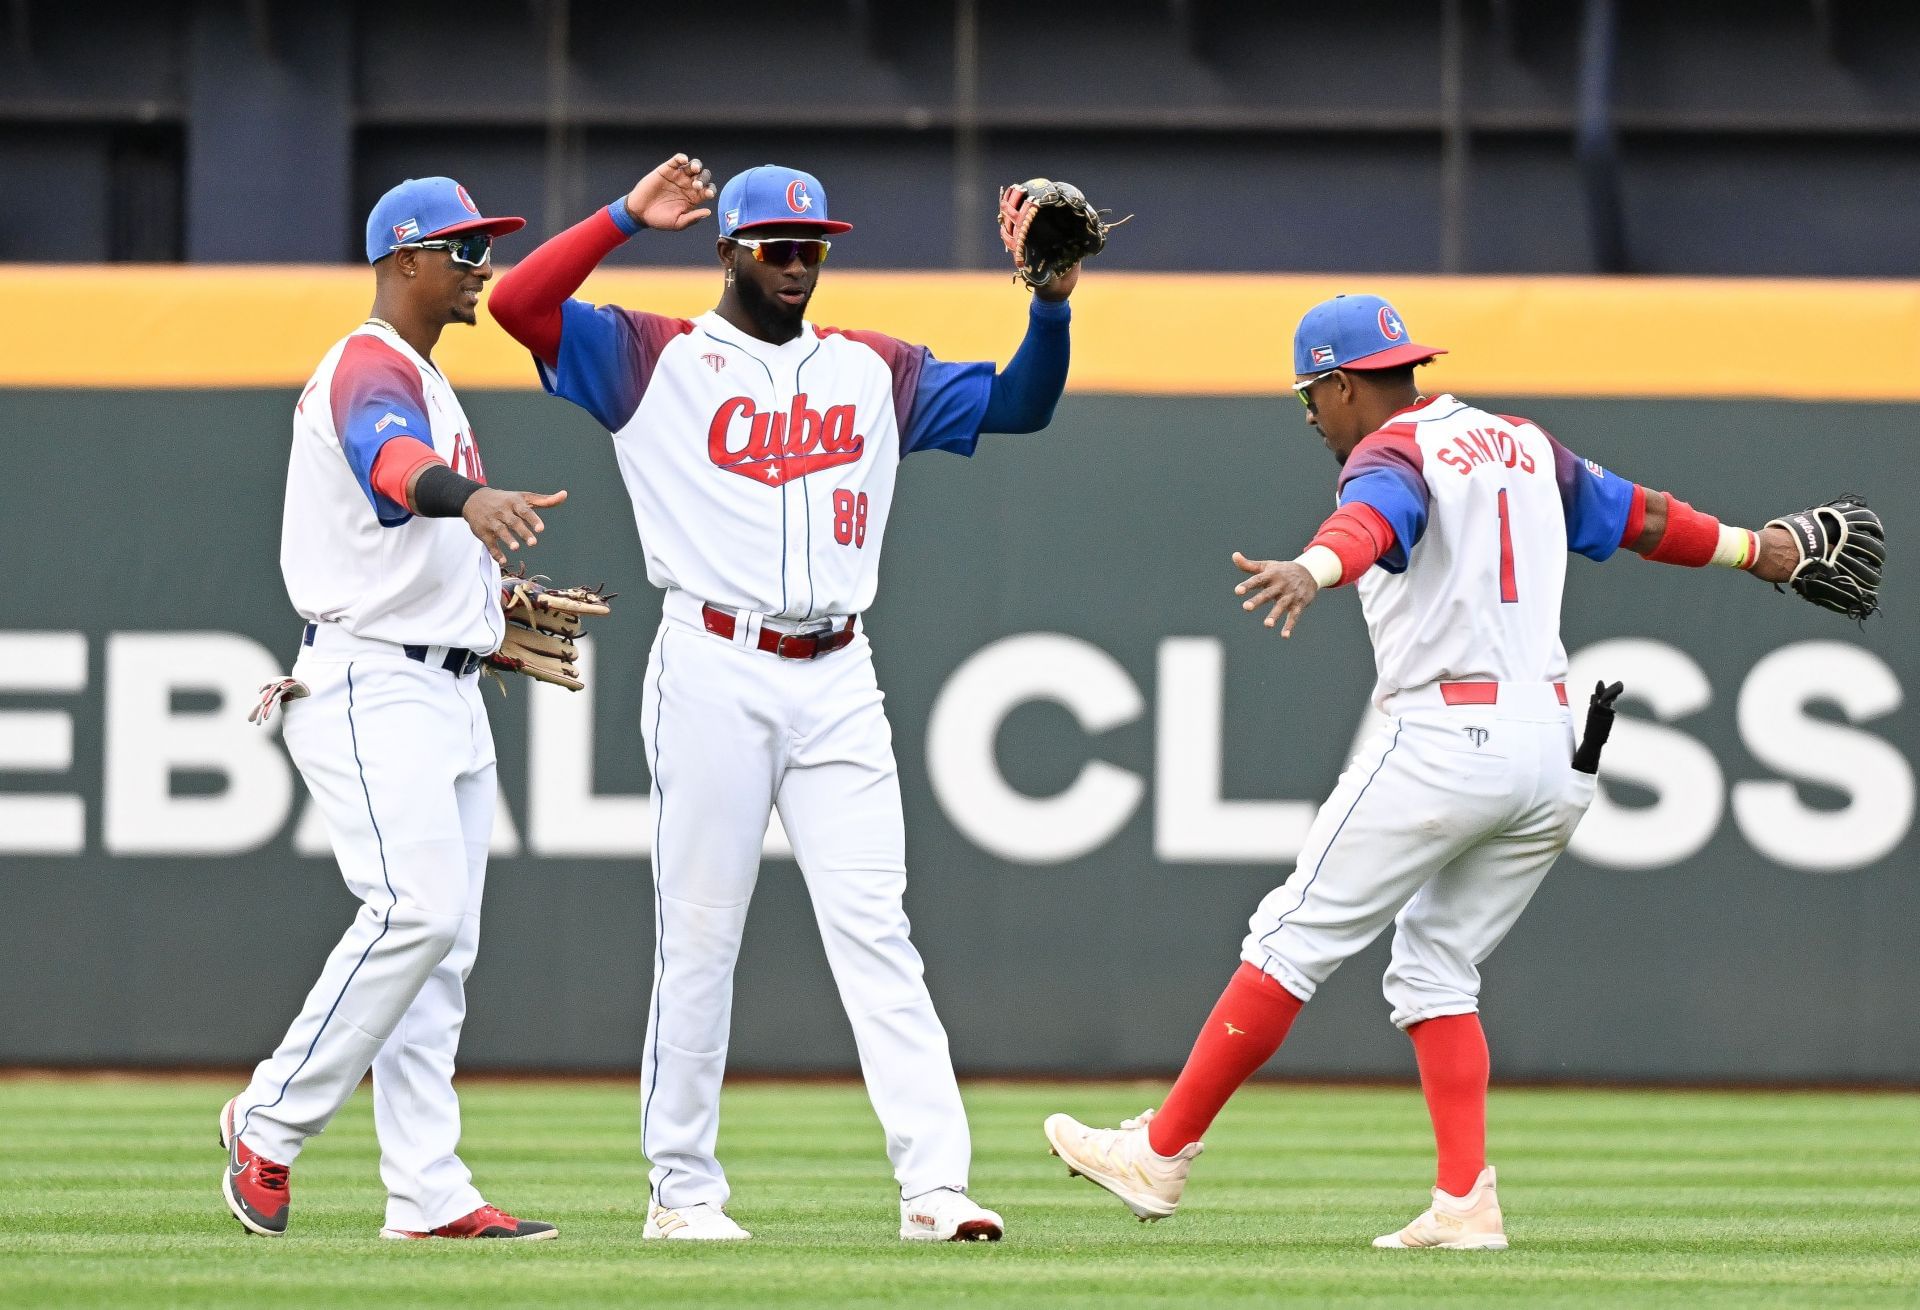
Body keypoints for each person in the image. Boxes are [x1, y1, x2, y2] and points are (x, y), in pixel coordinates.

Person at [1042, 293, 1803, 1250]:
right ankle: (1463, 1204)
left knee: (1288, 937)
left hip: (1451, 735)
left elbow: (1372, 518)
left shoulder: (1389, 450)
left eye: (1309, 398)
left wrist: (1314, 570)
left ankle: (1160, 1154)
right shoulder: (1524, 442)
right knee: (1436, 966)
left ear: (1341, 383)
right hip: (1559, 747)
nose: (1311, 418)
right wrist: (1753, 551)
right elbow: (1642, 518)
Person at [488, 154, 1077, 1242]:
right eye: (779, 245)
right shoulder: (650, 354)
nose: (801, 262)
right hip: (711, 662)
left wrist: (1049, 304)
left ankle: (935, 1187)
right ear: (730, 251)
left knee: (878, 931)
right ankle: (682, 1192)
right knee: (701, 937)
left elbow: (1025, 404)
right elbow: (520, 303)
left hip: (840, 672)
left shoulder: (872, 369)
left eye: (815, 245)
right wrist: (624, 216)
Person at [221, 177, 566, 1242]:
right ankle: (268, 1119)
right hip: (373, 679)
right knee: (412, 908)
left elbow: (404, 526)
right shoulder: (367, 362)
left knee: (442, 942)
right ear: (403, 257)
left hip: (443, 683)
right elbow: (391, 467)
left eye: (484, 247)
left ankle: (427, 1189)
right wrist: (473, 500)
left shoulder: (425, 377)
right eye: (461, 249)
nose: (479, 266)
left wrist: (486, 602)